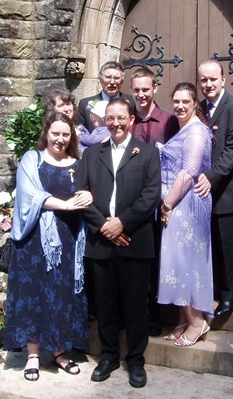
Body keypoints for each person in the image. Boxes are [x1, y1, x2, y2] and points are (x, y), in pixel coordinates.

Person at [76, 98, 161, 388]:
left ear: (131, 120)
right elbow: (81, 194)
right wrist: (104, 226)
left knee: (136, 306)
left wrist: (122, 223)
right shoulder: (91, 155)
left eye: (121, 118)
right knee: (105, 305)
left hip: (135, 241)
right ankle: (109, 356)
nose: (116, 123)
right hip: (101, 243)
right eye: (110, 118)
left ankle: (136, 360)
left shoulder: (148, 153)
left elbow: (150, 196)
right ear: (104, 121)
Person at [3, 113, 93, 381]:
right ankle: (33, 355)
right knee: (35, 293)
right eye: (56, 133)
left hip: (67, 239)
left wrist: (89, 193)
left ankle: (59, 352)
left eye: (66, 134)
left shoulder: (78, 163)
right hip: (35, 240)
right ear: (47, 133)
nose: (61, 139)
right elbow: (29, 194)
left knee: (61, 293)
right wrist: (64, 204)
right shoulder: (33, 158)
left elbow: (89, 191)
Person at [158, 82, 213, 346]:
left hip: (187, 204)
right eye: (176, 101)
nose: (180, 106)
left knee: (185, 263)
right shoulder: (185, 128)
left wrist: (167, 204)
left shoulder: (196, 132)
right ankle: (183, 319)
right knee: (178, 262)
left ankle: (197, 322)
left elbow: (189, 172)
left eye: (185, 102)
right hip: (180, 202)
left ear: (194, 104)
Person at [194, 60, 233, 317]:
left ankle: (231, 296)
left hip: (226, 189)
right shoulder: (199, 109)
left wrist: (210, 177)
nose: (208, 84)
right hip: (202, 192)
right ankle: (215, 289)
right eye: (203, 80)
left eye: (212, 79)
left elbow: (231, 152)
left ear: (223, 79)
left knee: (228, 245)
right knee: (210, 244)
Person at [129, 67, 179, 337]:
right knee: (134, 262)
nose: (141, 94)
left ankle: (154, 314)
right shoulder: (127, 119)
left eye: (145, 89)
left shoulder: (168, 121)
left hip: (160, 202)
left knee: (157, 260)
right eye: (136, 89)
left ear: (155, 88)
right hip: (131, 202)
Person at [76, 61, 135, 132]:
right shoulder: (84, 104)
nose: (112, 82)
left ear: (122, 81)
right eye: (108, 77)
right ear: (100, 79)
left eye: (116, 78)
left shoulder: (132, 102)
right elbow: (80, 133)